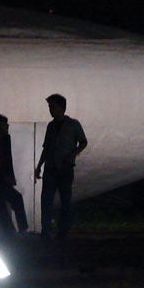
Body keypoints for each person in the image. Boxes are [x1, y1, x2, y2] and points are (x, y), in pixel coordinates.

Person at [34, 93, 87, 238]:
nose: (50, 110)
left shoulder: (73, 124)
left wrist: (72, 154)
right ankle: (50, 230)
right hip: (53, 167)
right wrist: (39, 165)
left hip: (63, 167)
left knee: (61, 200)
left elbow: (83, 142)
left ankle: (59, 230)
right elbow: (46, 147)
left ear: (61, 108)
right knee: (50, 200)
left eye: (52, 107)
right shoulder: (51, 126)